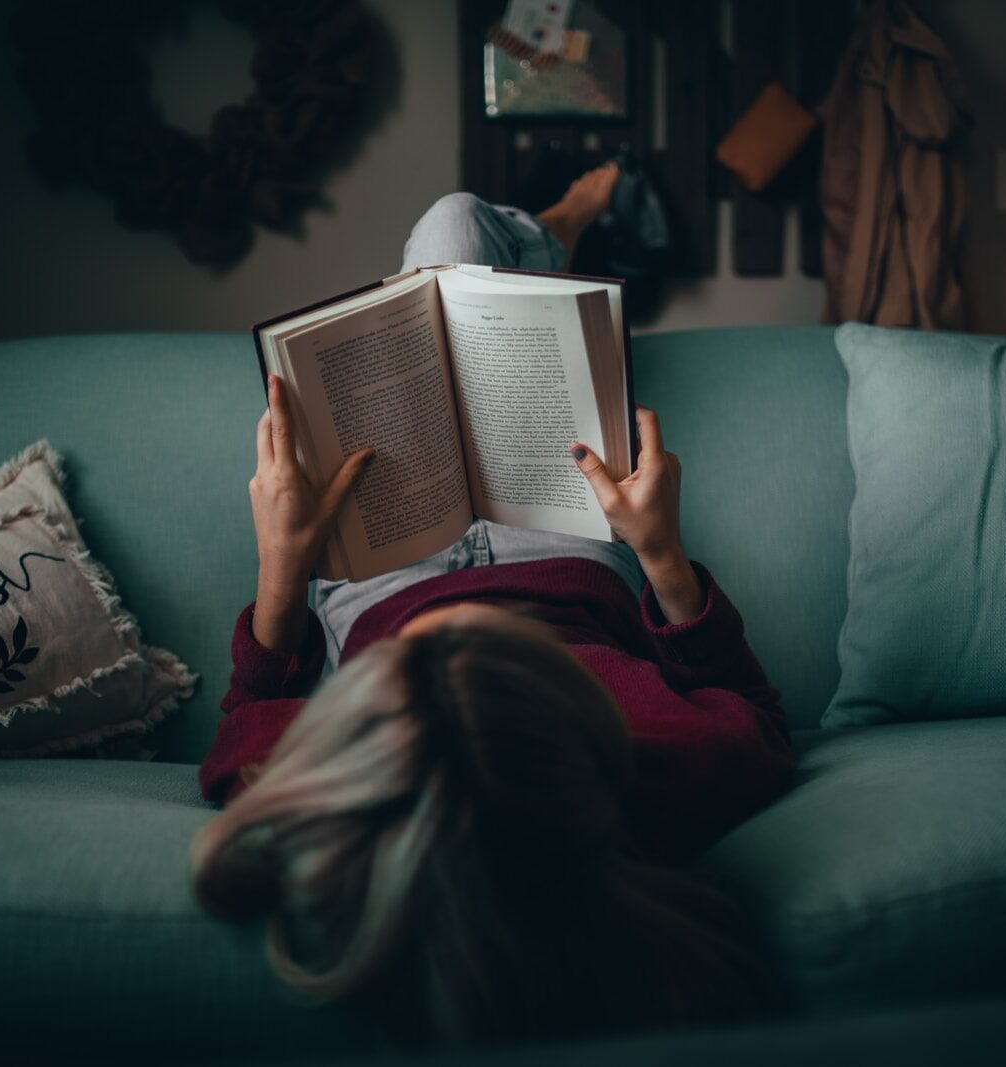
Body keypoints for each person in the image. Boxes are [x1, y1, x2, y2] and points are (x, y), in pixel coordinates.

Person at [188, 166, 797, 1046]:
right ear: (565, 736)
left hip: (381, 571)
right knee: (460, 241)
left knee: (448, 243)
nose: (460, 633)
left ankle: (554, 229)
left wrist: (281, 564)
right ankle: (565, 223)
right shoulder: (661, 767)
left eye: (416, 674)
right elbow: (758, 712)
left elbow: (246, 718)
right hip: (557, 548)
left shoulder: (326, 795)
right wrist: (659, 550)